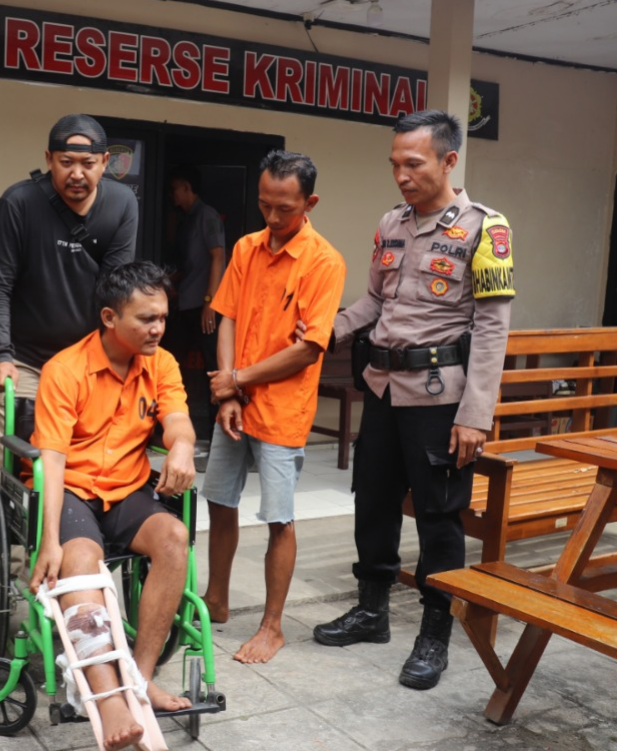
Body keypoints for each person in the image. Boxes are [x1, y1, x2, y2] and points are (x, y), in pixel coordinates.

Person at [312, 110, 515, 690]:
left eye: (414, 163)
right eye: (395, 164)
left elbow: (492, 328)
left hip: (439, 400)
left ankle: (435, 631)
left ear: (449, 161)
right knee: (372, 502)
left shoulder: (485, 228)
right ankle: (372, 611)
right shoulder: (391, 224)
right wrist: (325, 331)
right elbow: (373, 303)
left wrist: (476, 414)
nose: (401, 175)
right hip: (382, 388)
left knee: (437, 516)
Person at [29, 260, 196, 751]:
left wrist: (182, 447)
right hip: (76, 487)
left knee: (173, 537)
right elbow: (53, 461)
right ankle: (108, 699)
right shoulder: (65, 369)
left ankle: (139, 680)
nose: (158, 328)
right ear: (109, 317)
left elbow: (178, 419)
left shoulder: (161, 363)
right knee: (80, 560)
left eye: (162, 317)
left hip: (125, 487)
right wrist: (50, 540)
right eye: (146, 319)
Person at [199, 150, 346, 664]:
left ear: (310, 202)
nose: (273, 217)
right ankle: (215, 599)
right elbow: (227, 319)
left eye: (284, 208)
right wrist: (229, 394)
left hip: (282, 412)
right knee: (218, 500)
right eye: (265, 205)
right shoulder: (246, 248)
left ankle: (272, 626)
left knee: (278, 518)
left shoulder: (324, 262)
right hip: (236, 405)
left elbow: (307, 349)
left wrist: (235, 379)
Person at [0, 114, 137, 484]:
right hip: (22, 357)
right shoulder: (18, 202)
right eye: (66, 163)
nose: (76, 174)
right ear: (49, 159)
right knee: (11, 461)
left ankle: (68, 536)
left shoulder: (122, 204)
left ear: (105, 164)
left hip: (84, 359)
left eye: (88, 163)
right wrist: (1, 355)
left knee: (76, 460)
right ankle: (9, 540)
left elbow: (114, 289)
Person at [166, 164, 226, 439]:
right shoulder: (187, 217)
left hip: (203, 306)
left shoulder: (207, 215)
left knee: (212, 366)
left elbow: (217, 256)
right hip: (186, 303)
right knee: (176, 363)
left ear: (188, 188)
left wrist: (209, 302)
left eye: (176, 187)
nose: (172, 194)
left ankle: (217, 430)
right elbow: (192, 264)